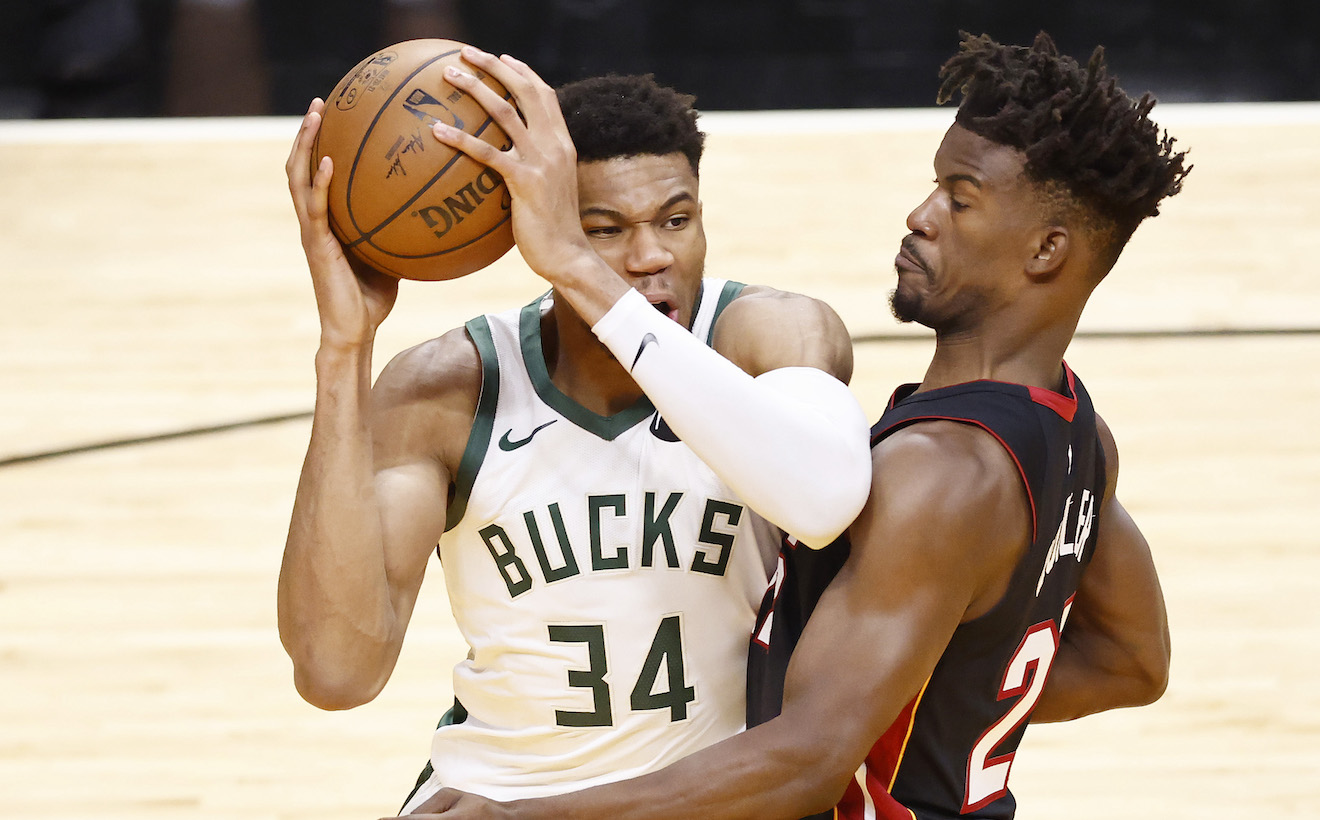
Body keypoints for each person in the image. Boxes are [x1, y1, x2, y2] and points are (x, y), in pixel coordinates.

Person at [395, 31, 1185, 820]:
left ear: (1047, 250)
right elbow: (1128, 662)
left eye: (960, 197)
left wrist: (521, 817)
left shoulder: (940, 472)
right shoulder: (1076, 425)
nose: (920, 215)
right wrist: (937, 692)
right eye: (934, 185)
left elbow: (803, 763)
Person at [277, 52, 873, 812]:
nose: (652, 255)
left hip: (708, 800)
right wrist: (344, 347)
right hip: (497, 795)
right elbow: (336, 672)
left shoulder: (766, 336)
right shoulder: (450, 388)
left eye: (677, 220)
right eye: (603, 230)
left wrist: (576, 263)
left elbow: (821, 498)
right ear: (534, 226)